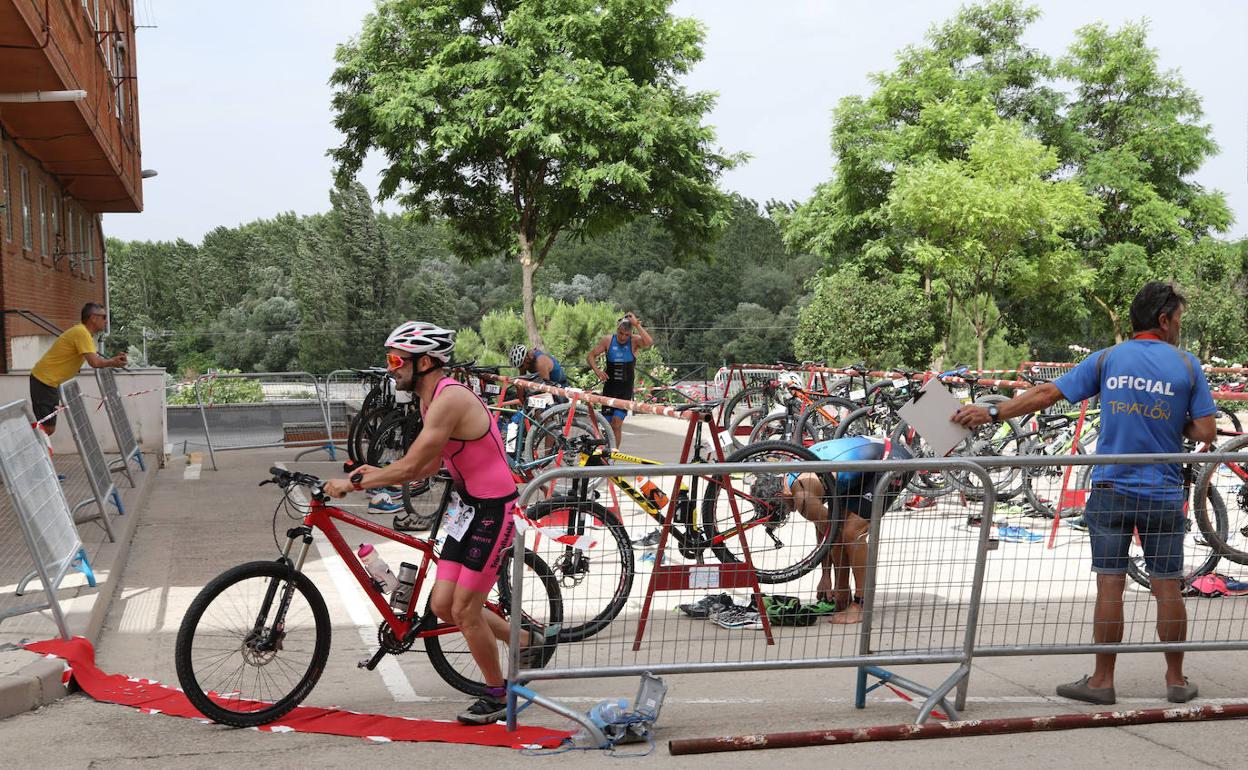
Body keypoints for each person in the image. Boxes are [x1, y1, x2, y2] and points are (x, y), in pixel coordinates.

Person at [952, 282, 1216, 705]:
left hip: (1111, 488)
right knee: (1167, 586)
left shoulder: (1108, 359)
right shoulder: (1187, 365)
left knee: (1110, 586)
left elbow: (1046, 393)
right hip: (1163, 491)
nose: (1179, 328)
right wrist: (1170, 420)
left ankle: (1102, 681)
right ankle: (1175, 680)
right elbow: (1205, 431)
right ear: (1164, 320)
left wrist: (993, 411)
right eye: (1179, 320)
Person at [324, 321, 549, 725]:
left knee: (465, 609)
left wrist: (354, 482)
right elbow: (426, 465)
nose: (390, 368)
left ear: (424, 362)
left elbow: (412, 466)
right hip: (468, 509)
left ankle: (498, 694)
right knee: (444, 606)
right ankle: (528, 639)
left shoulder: (449, 399)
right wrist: (375, 472)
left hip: (494, 510)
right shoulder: (429, 401)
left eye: (396, 360)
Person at [774, 435, 913, 624]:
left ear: (779, 495)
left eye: (783, 511)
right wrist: (826, 576)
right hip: (867, 462)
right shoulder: (794, 475)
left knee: (852, 532)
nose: (789, 512)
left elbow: (834, 536)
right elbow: (826, 531)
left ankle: (861, 605)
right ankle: (850, 597)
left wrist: (840, 585)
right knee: (842, 527)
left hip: (890, 459)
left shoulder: (802, 498)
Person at [29, 303, 127, 436]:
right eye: (104, 317)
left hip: (48, 382)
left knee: (47, 428)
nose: (106, 321)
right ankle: (14, 440)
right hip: (44, 382)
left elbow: (94, 358)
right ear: (93, 318)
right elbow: (95, 362)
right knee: (47, 429)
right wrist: (113, 362)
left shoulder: (83, 333)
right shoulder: (82, 333)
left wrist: (113, 360)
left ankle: (20, 441)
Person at [587, 312, 652, 446]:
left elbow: (649, 343)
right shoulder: (608, 340)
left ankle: (613, 455)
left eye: (626, 335)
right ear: (617, 329)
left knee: (616, 423)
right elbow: (590, 356)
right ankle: (606, 451)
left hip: (624, 391)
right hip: (609, 389)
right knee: (607, 425)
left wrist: (637, 324)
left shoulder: (634, 341)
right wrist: (597, 371)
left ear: (630, 333)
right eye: (620, 333)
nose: (623, 337)